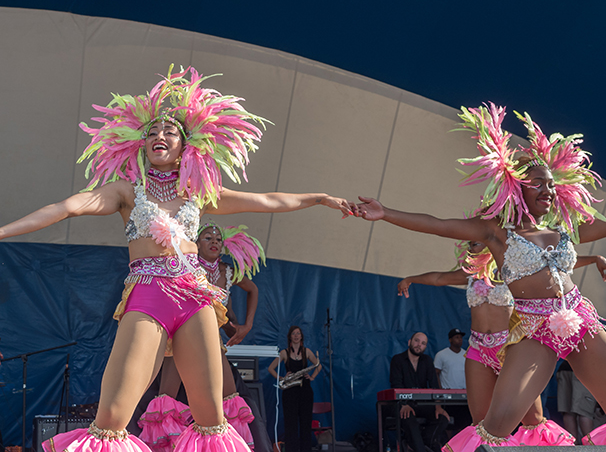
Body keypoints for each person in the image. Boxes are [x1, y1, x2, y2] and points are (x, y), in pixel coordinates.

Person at [0, 66, 354, 452]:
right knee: (112, 417)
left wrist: (319, 198)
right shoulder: (126, 192)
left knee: (211, 419)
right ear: (141, 145)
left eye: (169, 131)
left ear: (186, 146)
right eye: (152, 132)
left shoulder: (198, 193)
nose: (159, 136)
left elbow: (267, 200)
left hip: (195, 299)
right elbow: (66, 207)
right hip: (148, 295)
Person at [355, 103, 606, 448]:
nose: (547, 190)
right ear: (516, 187)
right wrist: (385, 213)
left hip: (579, 320)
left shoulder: (564, 228)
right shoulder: (496, 232)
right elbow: (438, 224)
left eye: (551, 185)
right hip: (534, 330)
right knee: (496, 426)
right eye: (537, 183)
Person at [397, 240, 606, 445]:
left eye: (476, 242)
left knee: (533, 419)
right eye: (470, 244)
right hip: (479, 348)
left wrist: (594, 258)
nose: (472, 246)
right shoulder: (471, 274)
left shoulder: (513, 269)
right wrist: (411, 279)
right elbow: (438, 278)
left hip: (510, 349)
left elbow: (554, 265)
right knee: (481, 423)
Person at [137, 222, 266, 452]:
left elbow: (253, 290)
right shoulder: (185, 266)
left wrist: (246, 325)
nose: (214, 242)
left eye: (218, 239)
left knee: (230, 401)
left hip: (212, 344)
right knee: (166, 402)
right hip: (181, 340)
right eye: (208, 238)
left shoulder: (228, 272)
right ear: (196, 243)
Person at [388, 332, 450, 452]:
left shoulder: (427, 360)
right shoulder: (398, 359)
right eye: (416, 341)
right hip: (403, 403)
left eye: (423, 343)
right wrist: (404, 404)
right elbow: (396, 384)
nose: (419, 345)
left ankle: (416, 445)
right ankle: (420, 448)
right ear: (409, 342)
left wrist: (438, 406)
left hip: (421, 403)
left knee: (442, 418)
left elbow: (434, 385)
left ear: (425, 347)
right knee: (408, 417)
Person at [268, 326, 322, 452]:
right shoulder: (284, 353)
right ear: (290, 337)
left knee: (305, 423)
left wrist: (312, 377)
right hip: (290, 392)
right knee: (290, 424)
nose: (296, 335)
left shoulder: (307, 351)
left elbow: (318, 365)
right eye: (294, 333)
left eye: (298, 333)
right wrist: (282, 378)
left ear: (301, 336)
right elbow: (270, 368)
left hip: (305, 391)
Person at [433, 329, 470, 435]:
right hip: (448, 396)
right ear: (450, 340)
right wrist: (440, 391)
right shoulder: (441, 355)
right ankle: (448, 444)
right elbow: (435, 374)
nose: (459, 339)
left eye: (461, 337)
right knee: (448, 424)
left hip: (463, 396)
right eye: (456, 337)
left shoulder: (466, 355)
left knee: (463, 423)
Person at [556, 359, 596, 444]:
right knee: (584, 412)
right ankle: (591, 445)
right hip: (583, 369)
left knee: (568, 412)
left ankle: (572, 444)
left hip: (564, 368)